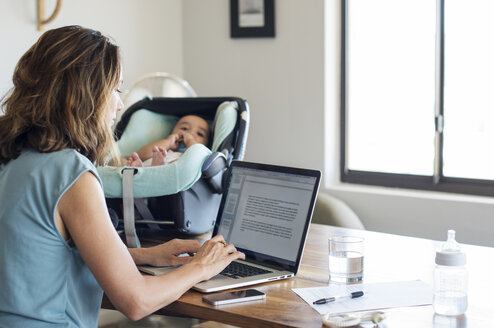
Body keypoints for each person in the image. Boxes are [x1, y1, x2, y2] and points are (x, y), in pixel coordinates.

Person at [0, 25, 244, 327]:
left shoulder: (11, 156)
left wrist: (146, 255)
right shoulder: (71, 173)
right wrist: (203, 267)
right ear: (85, 95)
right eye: (115, 89)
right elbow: (136, 301)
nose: (119, 103)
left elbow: (41, 253)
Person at [126, 114, 211, 167]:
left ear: (207, 143)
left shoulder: (201, 154)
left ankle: (160, 168)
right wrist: (168, 142)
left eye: (200, 134)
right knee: (117, 160)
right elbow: (141, 155)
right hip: (144, 168)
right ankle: (137, 171)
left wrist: (190, 140)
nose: (190, 133)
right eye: (184, 128)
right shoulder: (165, 149)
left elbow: (197, 153)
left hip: (171, 172)